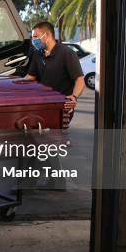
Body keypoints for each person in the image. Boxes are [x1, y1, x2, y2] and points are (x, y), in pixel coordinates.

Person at [24, 21, 85, 190]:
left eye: (35, 36)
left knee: (40, 141)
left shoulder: (67, 54)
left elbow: (80, 80)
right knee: (43, 142)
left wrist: (73, 96)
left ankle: (29, 183)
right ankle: (55, 182)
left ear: (47, 35)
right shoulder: (38, 54)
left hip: (61, 108)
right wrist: (12, 86)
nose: (33, 40)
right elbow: (30, 77)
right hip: (42, 108)